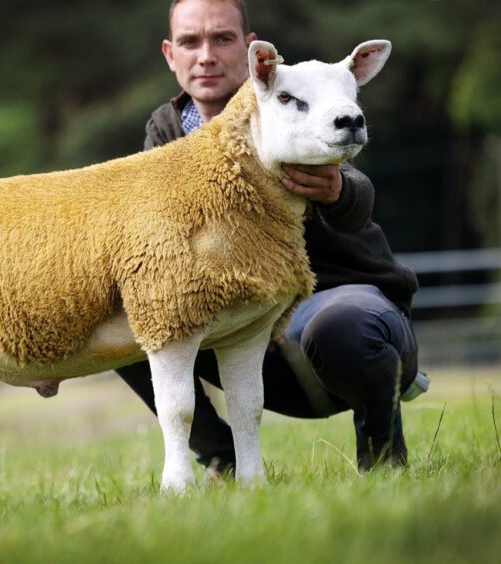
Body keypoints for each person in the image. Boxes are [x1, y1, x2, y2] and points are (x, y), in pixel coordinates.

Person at [116, 0, 424, 473]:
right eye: (190, 42)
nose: (206, 56)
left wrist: (337, 188)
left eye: (222, 39)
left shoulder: (294, 97)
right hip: (242, 327)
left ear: (251, 49)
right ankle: (222, 461)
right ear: (169, 54)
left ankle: (382, 456)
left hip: (328, 314)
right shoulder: (166, 130)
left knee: (345, 324)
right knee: (130, 320)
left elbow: (355, 191)